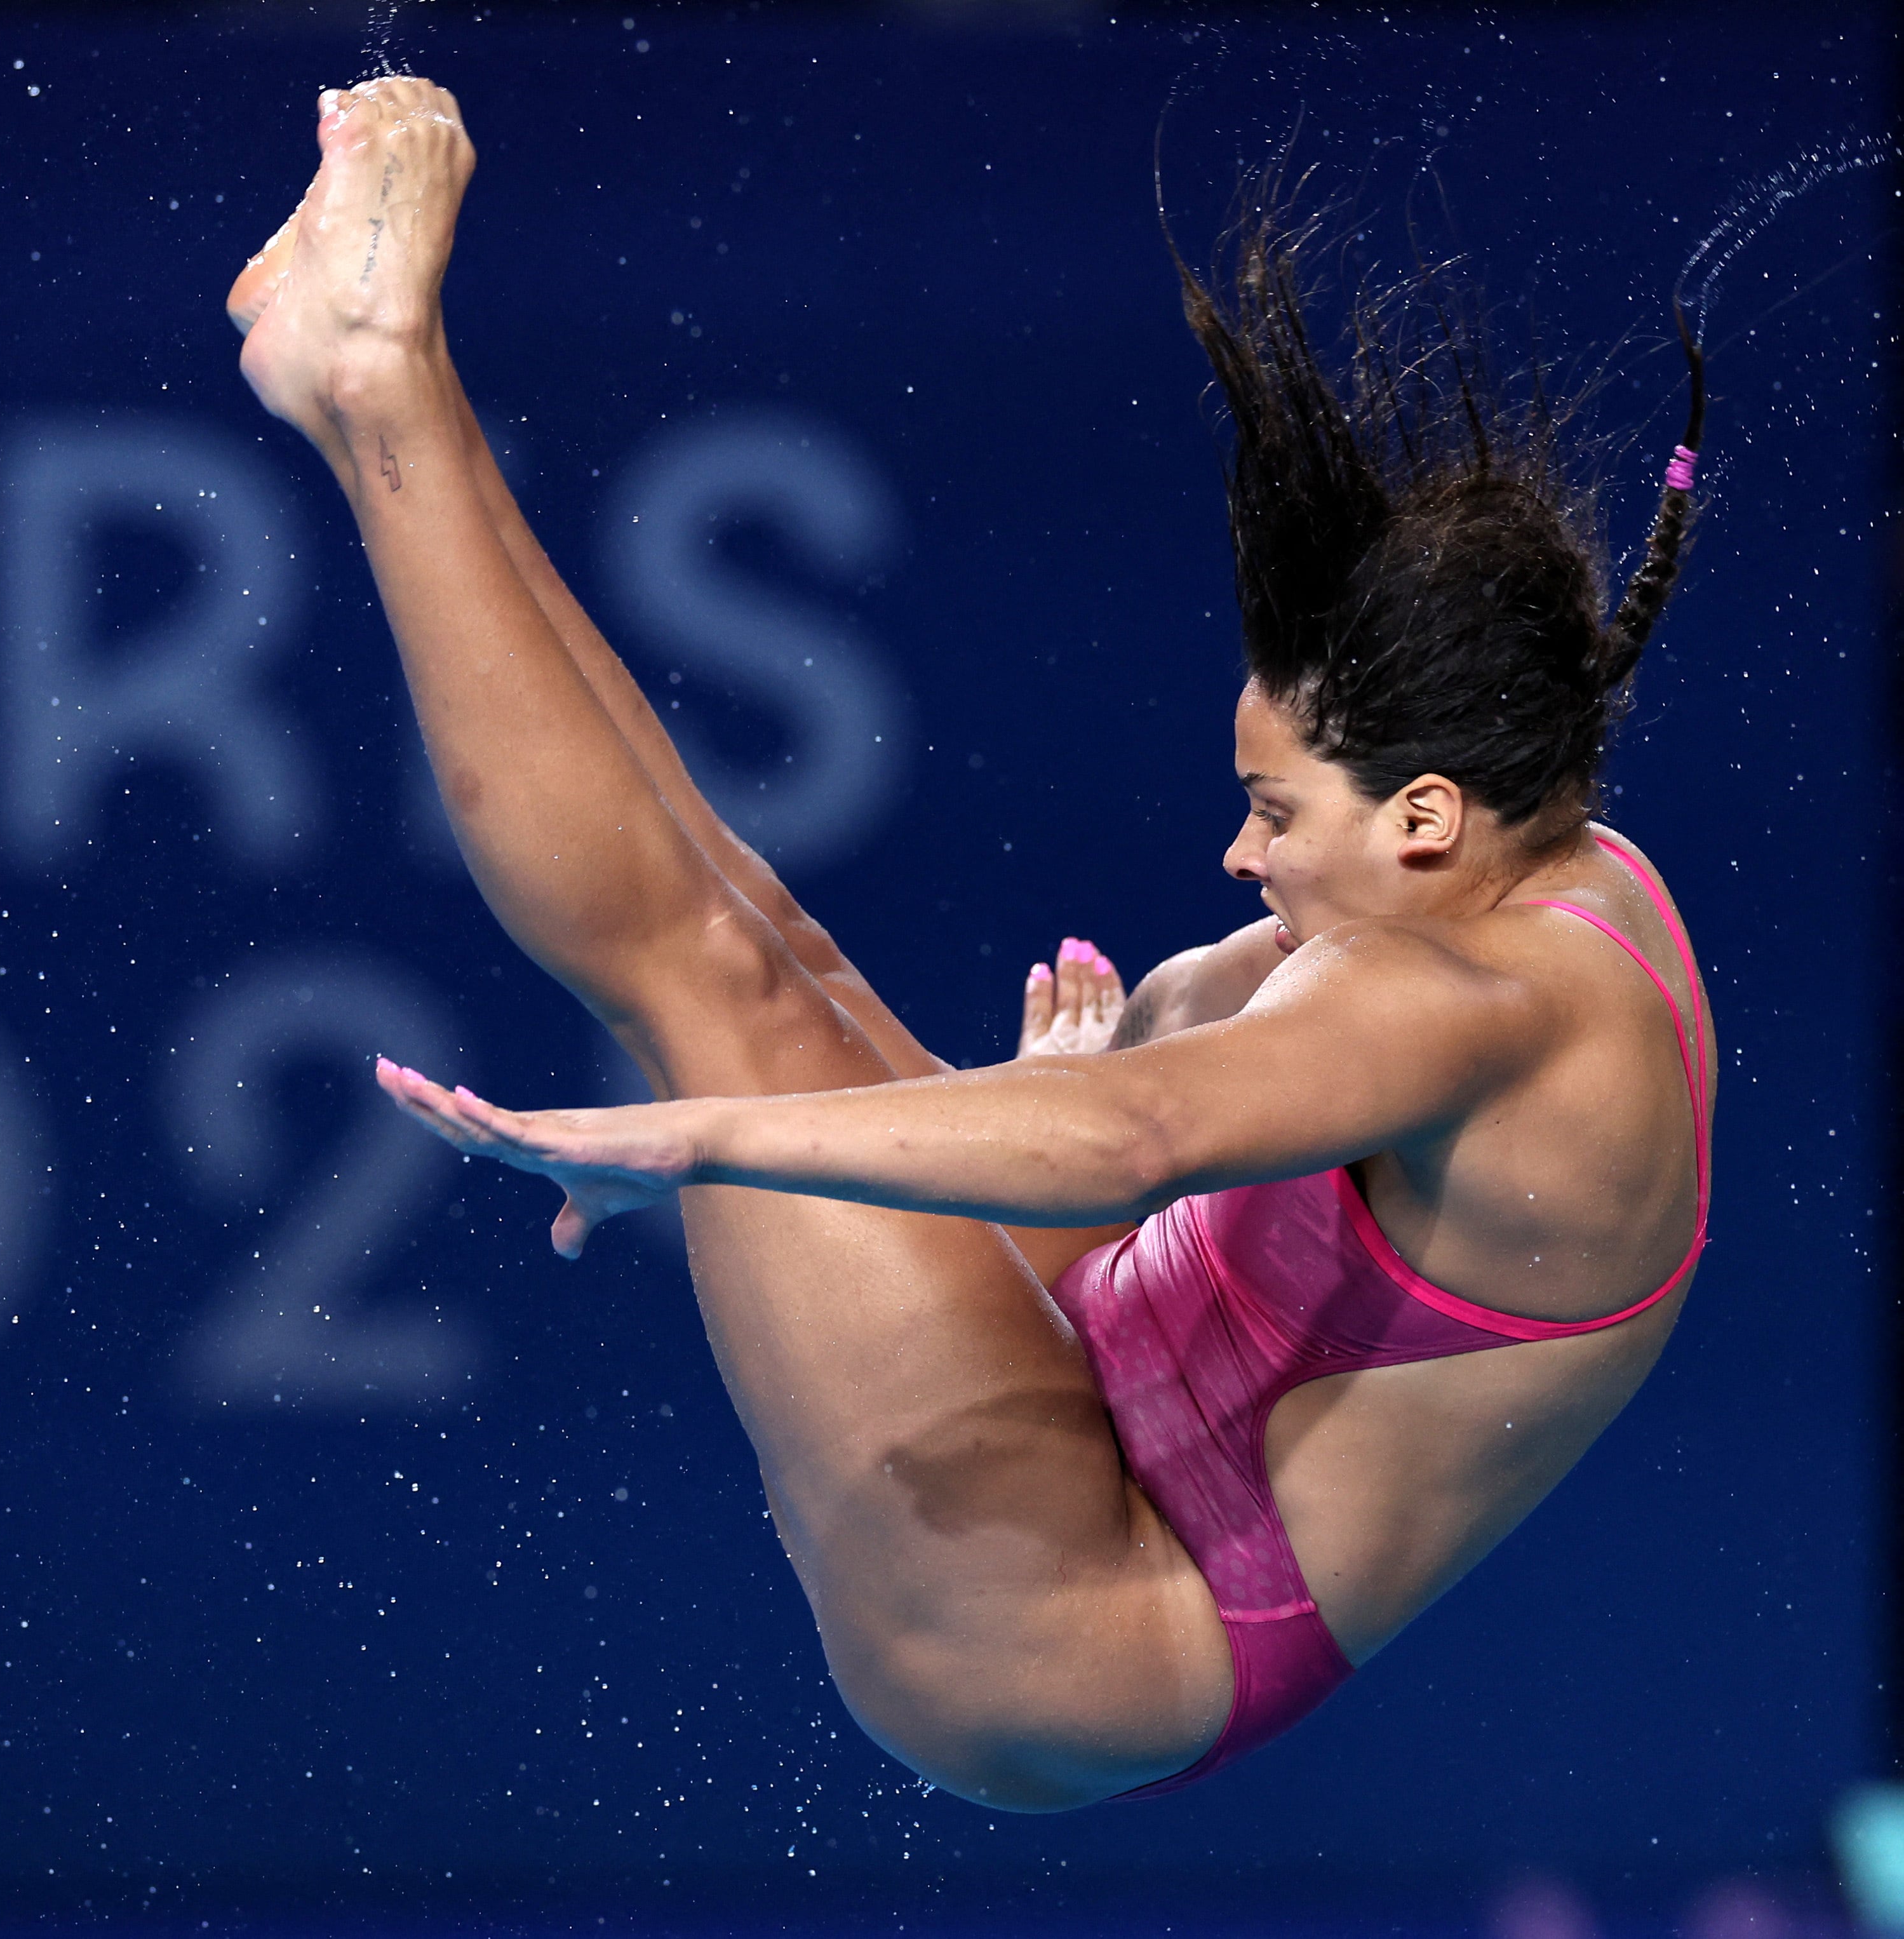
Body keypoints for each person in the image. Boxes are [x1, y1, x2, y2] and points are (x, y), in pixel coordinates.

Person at [231, 79, 1712, 1809]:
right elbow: (1169, 1081)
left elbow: (1143, 1134)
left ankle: (378, 379)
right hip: (1107, 1409)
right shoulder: (1556, 868)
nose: (1239, 854)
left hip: (1079, 1624)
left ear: (1427, 817)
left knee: (708, 990)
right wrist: (1070, 1095)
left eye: (1277, 816)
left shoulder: (1480, 1003)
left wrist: (692, 1141)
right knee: (766, 940)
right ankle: (364, 397)